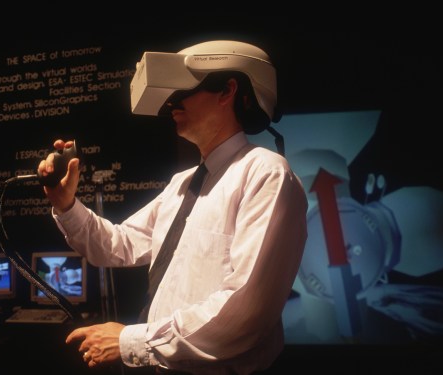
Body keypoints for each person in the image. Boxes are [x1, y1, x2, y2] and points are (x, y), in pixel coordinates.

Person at [37, 40, 308, 374]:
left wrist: (131, 342)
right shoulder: (182, 183)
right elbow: (118, 245)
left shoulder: (266, 173)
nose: (171, 103)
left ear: (227, 91)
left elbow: (244, 310)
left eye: (184, 90)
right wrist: (66, 205)